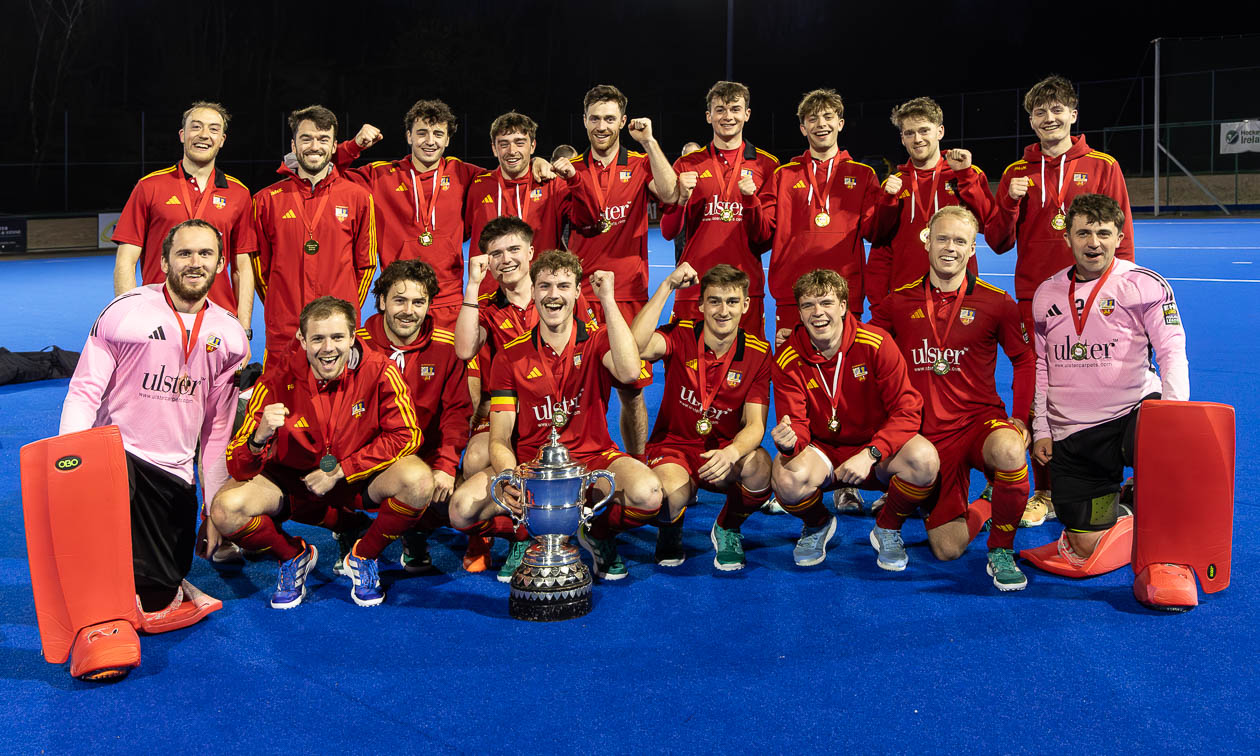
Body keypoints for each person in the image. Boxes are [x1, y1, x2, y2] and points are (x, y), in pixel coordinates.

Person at [62, 218, 249, 629]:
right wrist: (71, 463)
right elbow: (84, 391)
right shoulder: (125, 312)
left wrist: (213, 507)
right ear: (164, 262)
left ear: (220, 265)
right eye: (184, 253)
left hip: (174, 474)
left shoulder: (231, 336)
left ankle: (160, 582)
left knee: (157, 594)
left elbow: (216, 430)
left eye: (205, 254)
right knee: (105, 579)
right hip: (118, 455)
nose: (195, 262)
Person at [449, 250, 663, 582]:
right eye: (545, 286)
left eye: (563, 286)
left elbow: (630, 371)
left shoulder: (597, 341)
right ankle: (525, 533)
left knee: (649, 493)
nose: (553, 295)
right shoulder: (510, 356)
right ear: (533, 292)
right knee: (461, 510)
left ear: (577, 292)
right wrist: (509, 476)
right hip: (532, 467)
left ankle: (596, 531)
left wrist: (608, 300)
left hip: (592, 458)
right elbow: (500, 437)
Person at [211, 296, 433, 608]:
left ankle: (363, 555)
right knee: (225, 510)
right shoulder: (276, 380)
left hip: (357, 480)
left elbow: (408, 435)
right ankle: (292, 556)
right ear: (302, 340)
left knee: (419, 481)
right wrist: (258, 438)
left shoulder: (380, 370)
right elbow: (238, 467)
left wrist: (343, 469)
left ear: (352, 337)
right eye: (317, 339)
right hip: (295, 487)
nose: (328, 348)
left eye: (337, 337)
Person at [985, 75, 1136, 527]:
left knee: (1094, 385)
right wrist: (1008, 204)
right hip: (1036, 299)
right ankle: (1046, 491)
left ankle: (1102, 480)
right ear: (1030, 120)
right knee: (1041, 393)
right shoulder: (1016, 172)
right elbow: (997, 241)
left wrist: (1122, 295)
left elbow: (1122, 236)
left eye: (1057, 110)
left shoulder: (1104, 165)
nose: (1048, 118)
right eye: (1039, 112)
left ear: (1072, 114)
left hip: (1094, 297)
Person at [867, 206, 1034, 588]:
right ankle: (989, 501)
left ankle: (1001, 549)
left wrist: (1021, 418)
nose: (950, 248)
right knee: (947, 548)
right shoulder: (898, 302)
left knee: (1010, 449)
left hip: (978, 424)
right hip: (925, 435)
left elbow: (1025, 359)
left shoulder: (997, 302)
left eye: (960, 241)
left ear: (972, 248)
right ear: (927, 241)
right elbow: (863, 350)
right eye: (942, 238)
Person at [1028, 193, 1187, 571]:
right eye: (1083, 233)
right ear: (1067, 238)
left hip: (1132, 413)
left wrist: (1174, 415)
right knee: (1087, 545)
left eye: (1103, 233)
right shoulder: (1046, 293)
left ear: (1119, 237)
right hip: (1074, 432)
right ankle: (1127, 504)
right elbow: (1042, 364)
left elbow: (1171, 351)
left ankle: (1165, 534)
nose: (1093, 243)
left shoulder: (1144, 284)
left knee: (1169, 451)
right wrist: (1042, 428)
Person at [769, 269, 937, 567]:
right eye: (808, 305)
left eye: (826, 303)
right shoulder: (787, 358)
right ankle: (818, 524)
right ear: (800, 312)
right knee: (785, 476)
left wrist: (871, 453)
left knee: (924, 460)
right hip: (823, 451)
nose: (817, 313)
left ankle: (887, 527)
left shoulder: (876, 343)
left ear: (843, 306)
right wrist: (790, 443)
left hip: (877, 450)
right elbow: (796, 423)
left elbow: (907, 409)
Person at [551, 84, 680, 458]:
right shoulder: (570, 170)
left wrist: (650, 142)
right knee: (572, 388)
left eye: (610, 118)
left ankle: (637, 462)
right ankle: (572, 462)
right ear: (584, 121)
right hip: (579, 299)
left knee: (632, 390)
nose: (602, 126)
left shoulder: (640, 164)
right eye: (595, 118)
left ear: (623, 121)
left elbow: (670, 194)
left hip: (628, 296)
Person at [632, 263, 772, 570]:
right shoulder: (680, 334)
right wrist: (667, 286)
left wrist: (732, 452)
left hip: (721, 451)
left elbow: (755, 424)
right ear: (701, 305)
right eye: (714, 301)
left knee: (761, 468)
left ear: (746, 305)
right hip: (674, 447)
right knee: (665, 495)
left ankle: (727, 526)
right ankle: (670, 528)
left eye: (732, 301)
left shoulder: (759, 352)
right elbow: (635, 346)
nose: (723, 311)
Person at [327, 100, 489, 328]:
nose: (430, 141)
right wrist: (353, 147)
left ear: (447, 140)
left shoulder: (464, 174)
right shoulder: (381, 176)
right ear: (408, 136)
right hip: (399, 300)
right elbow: (324, 173)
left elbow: (505, 179)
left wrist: (536, 163)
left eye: (438, 134)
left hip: (449, 302)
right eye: (422, 133)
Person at [356, 259, 472, 573]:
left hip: (426, 461)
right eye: (400, 300)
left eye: (418, 302)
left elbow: (457, 412)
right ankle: (348, 527)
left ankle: (414, 529)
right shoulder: (356, 346)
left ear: (429, 305)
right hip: (367, 461)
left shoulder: (447, 348)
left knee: (465, 505)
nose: (409, 311)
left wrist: (446, 464)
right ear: (382, 301)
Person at [112, 102, 256, 332]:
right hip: (158, 318)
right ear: (182, 135)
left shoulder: (239, 193)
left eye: (213, 129)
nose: (204, 135)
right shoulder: (150, 187)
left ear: (222, 140)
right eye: (196, 127)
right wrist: (131, 319)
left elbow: (243, 268)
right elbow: (125, 261)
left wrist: (244, 327)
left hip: (217, 320)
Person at [252, 105, 377, 359]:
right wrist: (279, 307)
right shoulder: (266, 200)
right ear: (294, 145)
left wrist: (346, 311)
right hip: (285, 331)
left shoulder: (358, 198)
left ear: (334, 146)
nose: (314, 146)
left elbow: (366, 264)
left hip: (337, 330)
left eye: (323, 139)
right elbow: (259, 269)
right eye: (306, 138)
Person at [762, 88, 880, 336]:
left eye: (828, 117)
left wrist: (888, 201)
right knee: (792, 360)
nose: (821, 124)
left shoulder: (863, 175)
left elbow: (875, 231)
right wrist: (748, 200)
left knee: (843, 360)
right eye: (812, 119)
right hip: (793, 295)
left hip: (844, 294)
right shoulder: (783, 176)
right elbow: (762, 230)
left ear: (840, 123)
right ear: (803, 128)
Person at [865, 96, 995, 307]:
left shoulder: (964, 174)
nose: (917, 139)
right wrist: (879, 303)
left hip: (957, 295)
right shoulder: (893, 185)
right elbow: (880, 248)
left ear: (940, 131)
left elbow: (988, 224)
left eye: (924, 130)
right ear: (902, 138)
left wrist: (966, 177)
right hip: (906, 297)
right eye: (910, 133)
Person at [671, 81, 779, 332]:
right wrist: (680, 200)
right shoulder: (686, 165)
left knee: (746, 356)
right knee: (687, 356)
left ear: (747, 114)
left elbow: (764, 237)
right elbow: (669, 231)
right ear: (709, 116)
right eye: (720, 110)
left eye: (735, 109)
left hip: (745, 287)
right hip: (694, 285)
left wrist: (751, 201)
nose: (727, 116)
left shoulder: (767, 165)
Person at [465, 111, 572, 298]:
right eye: (503, 144)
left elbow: (587, 217)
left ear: (533, 146)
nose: (512, 151)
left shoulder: (552, 184)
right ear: (494, 148)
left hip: (541, 294)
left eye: (519, 143)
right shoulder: (477, 185)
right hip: (489, 298)